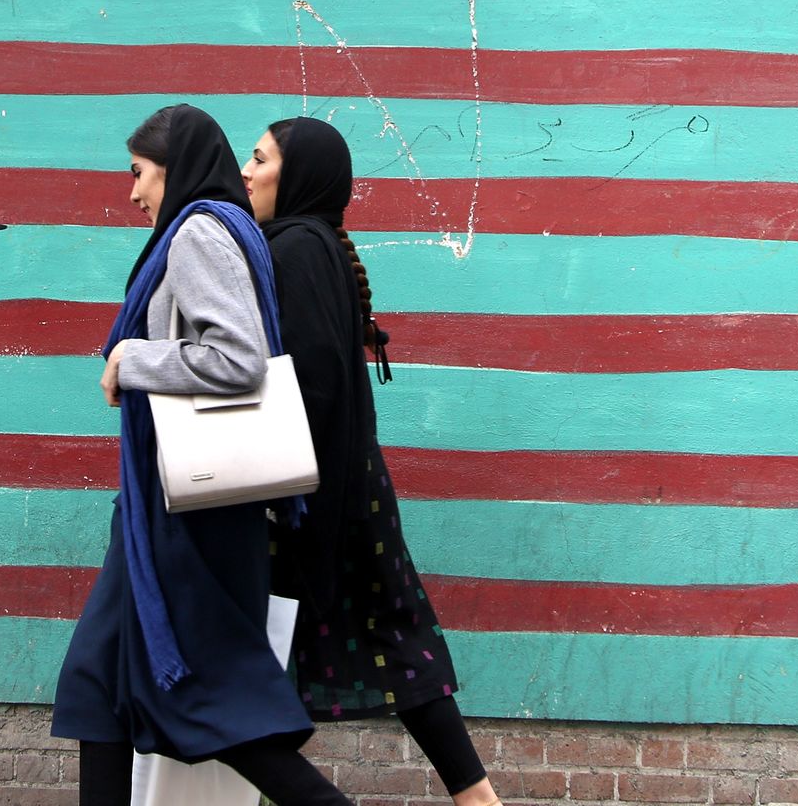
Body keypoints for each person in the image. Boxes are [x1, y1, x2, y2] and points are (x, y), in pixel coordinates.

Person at [53, 104, 352, 806]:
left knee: (212, 700)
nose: (133, 193)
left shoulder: (199, 232)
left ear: (174, 167)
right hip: (161, 504)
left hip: (190, 512)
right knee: (99, 681)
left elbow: (239, 358)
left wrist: (134, 358)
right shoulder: (215, 228)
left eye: (139, 173)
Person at [242, 117, 501, 806]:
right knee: (390, 638)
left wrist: (289, 497)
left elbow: (313, 379)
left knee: (248, 671)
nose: (245, 169)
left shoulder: (295, 248)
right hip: (344, 485)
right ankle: (477, 799)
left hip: (315, 492)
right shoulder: (315, 243)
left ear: (296, 177)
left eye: (260, 158)